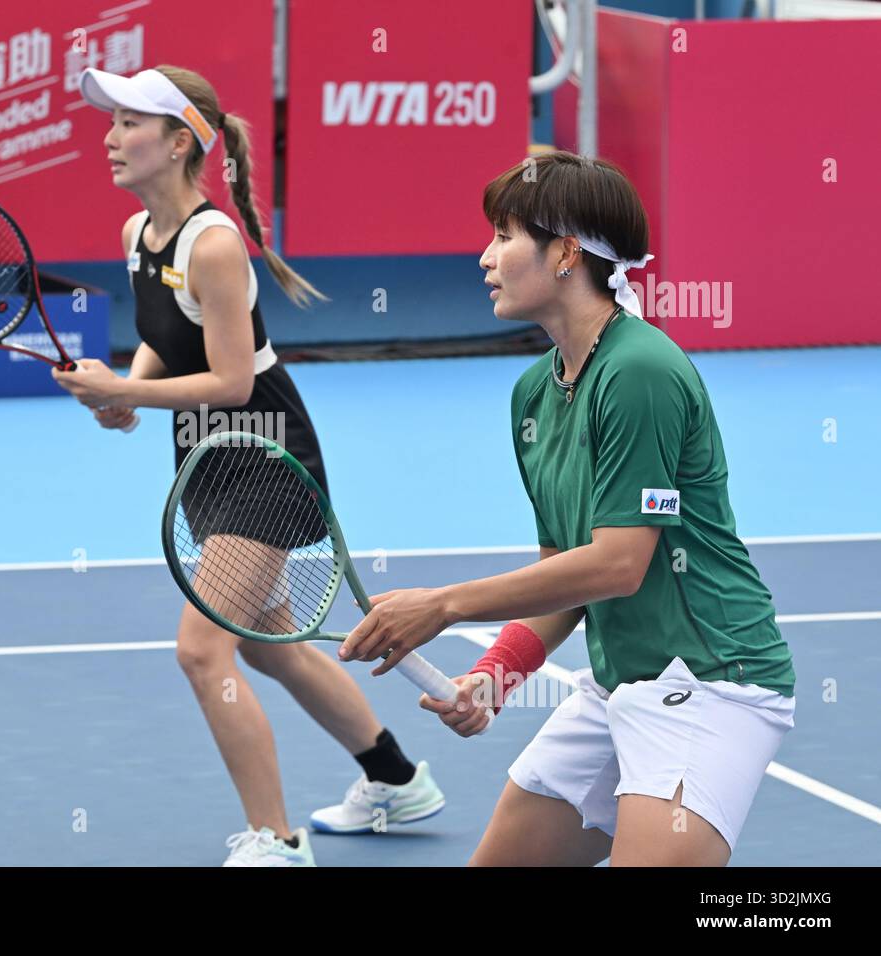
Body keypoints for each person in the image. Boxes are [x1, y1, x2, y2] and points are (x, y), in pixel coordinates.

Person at [339, 151, 795, 866]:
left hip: (711, 683)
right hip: (621, 686)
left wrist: (444, 605)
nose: (485, 257)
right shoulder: (534, 394)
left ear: (564, 253)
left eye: (504, 236)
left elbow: (617, 564)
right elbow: (567, 572)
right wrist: (496, 676)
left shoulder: (640, 370)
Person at [52, 65, 445, 867]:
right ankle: (398, 780)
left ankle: (276, 839)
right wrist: (136, 390)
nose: (110, 138)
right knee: (266, 644)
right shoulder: (139, 237)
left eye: (131, 123)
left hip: (265, 449)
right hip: (206, 455)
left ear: (179, 141)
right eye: (113, 121)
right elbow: (168, 332)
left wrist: (126, 389)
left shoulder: (216, 244)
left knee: (202, 650)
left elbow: (233, 379)